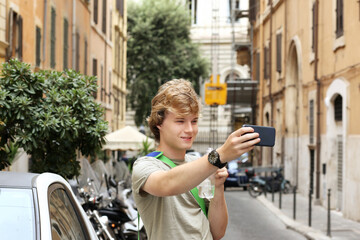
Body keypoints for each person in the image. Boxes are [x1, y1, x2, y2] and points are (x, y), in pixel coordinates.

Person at [132, 79, 260, 240]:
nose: (189, 129)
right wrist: (219, 156)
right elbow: (167, 184)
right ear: (159, 123)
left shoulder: (200, 164)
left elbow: (218, 232)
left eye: (194, 121)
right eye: (180, 121)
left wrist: (218, 187)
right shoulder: (144, 165)